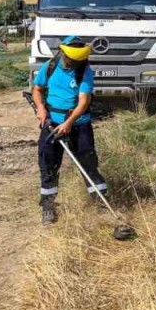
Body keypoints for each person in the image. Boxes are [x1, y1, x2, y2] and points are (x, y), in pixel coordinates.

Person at [32, 35, 106, 225]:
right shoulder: (49, 66)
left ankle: (101, 203)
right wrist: (40, 109)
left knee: (88, 163)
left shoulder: (84, 71)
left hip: (79, 125)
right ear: (63, 53)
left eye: (78, 61)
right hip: (51, 124)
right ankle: (48, 207)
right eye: (72, 60)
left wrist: (69, 123)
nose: (74, 63)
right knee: (48, 165)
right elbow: (37, 89)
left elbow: (83, 102)